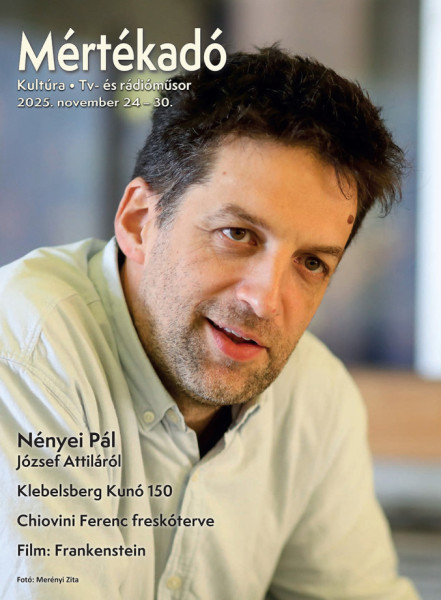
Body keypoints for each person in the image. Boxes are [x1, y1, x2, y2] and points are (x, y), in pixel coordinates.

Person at [0, 47, 419, 599]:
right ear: (139, 222)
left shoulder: (314, 399)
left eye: (312, 263)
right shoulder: (29, 355)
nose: (265, 301)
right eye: (237, 234)